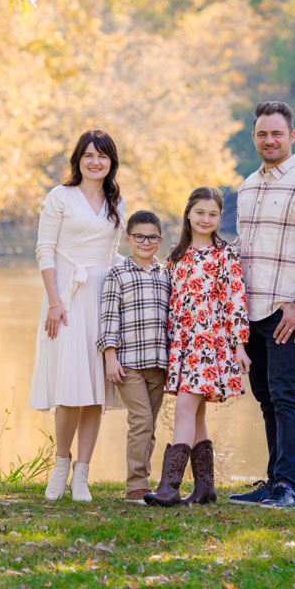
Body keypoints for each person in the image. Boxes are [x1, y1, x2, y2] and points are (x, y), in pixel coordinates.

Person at [229, 101, 295, 510]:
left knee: (287, 394)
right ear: (254, 137)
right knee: (265, 395)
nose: (269, 140)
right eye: (262, 134)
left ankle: (288, 487)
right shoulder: (248, 186)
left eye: (277, 133)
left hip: (288, 308)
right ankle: (273, 480)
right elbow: (244, 249)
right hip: (253, 309)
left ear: (291, 136)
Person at [29, 129, 126, 502]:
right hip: (67, 296)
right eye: (88, 155)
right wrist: (55, 301)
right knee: (69, 389)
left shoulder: (117, 201)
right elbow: (45, 250)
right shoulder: (60, 196)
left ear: (111, 162)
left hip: (103, 297)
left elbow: (112, 254)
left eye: (102, 156)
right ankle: (60, 465)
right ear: (78, 160)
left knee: (94, 391)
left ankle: (82, 475)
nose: (95, 162)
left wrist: (145, 270)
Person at [145, 187, 250, 507]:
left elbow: (236, 300)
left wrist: (240, 345)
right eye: (200, 212)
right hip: (182, 343)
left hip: (210, 343)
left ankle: (169, 487)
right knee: (197, 413)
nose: (206, 219)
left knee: (184, 410)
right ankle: (205, 488)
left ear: (220, 217)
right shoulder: (177, 256)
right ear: (188, 213)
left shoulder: (225, 254)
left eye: (213, 214)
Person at [97, 210, 171, 503]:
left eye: (152, 237)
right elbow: (108, 318)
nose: (145, 242)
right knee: (141, 421)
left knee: (149, 425)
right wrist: (110, 357)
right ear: (128, 239)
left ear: (160, 240)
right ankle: (136, 487)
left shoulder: (166, 274)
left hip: (158, 363)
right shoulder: (118, 274)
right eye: (139, 237)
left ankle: (144, 481)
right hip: (129, 364)